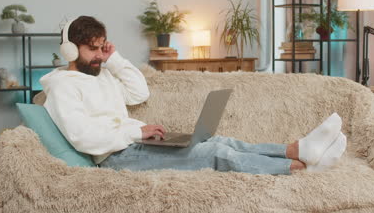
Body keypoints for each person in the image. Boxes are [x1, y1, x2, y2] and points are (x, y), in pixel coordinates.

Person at [41, 16, 347, 175]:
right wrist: (137, 130)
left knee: (219, 141)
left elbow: (138, 91)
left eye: (101, 47)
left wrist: (115, 58)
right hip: (115, 158)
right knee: (214, 155)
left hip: (132, 145)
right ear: (69, 49)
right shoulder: (62, 86)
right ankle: (301, 170)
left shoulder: (102, 73)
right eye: (91, 49)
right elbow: (83, 137)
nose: (98, 55)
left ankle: (297, 150)